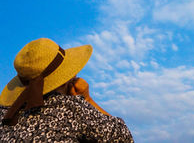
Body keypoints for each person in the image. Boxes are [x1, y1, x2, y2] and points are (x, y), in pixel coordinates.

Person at [0, 38, 134, 142]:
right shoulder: (69, 107)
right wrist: (87, 99)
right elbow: (123, 137)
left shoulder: (4, 114)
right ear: (66, 80)